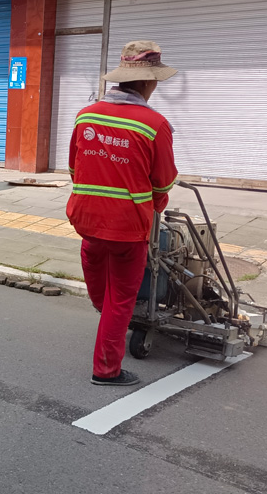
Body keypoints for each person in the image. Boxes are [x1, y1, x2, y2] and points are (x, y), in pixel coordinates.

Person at [66, 40, 179, 386]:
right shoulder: (153, 124)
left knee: (97, 272)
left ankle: (106, 314)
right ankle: (106, 369)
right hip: (128, 226)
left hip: (86, 220)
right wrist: (152, 208)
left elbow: (74, 168)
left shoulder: (86, 115)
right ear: (149, 82)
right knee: (121, 300)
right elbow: (163, 182)